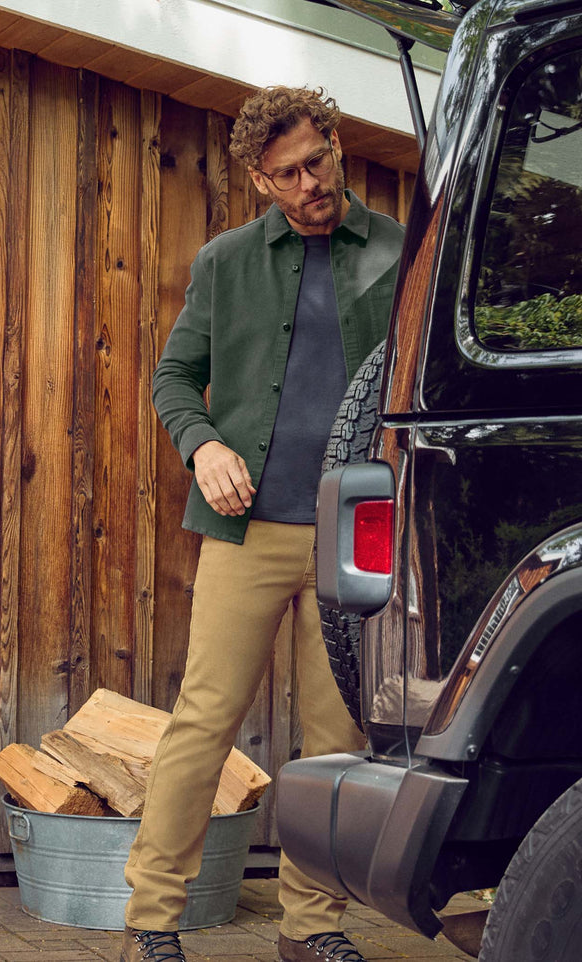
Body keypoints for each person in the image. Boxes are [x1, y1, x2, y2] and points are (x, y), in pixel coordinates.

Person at [121, 88, 402, 962]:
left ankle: (311, 927)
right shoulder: (226, 262)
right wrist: (202, 444)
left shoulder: (399, 253)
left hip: (355, 535)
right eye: (287, 174)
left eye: (317, 161)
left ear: (337, 146)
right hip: (247, 532)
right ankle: (150, 924)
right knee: (203, 721)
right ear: (258, 180)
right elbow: (173, 377)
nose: (309, 183)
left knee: (337, 740)